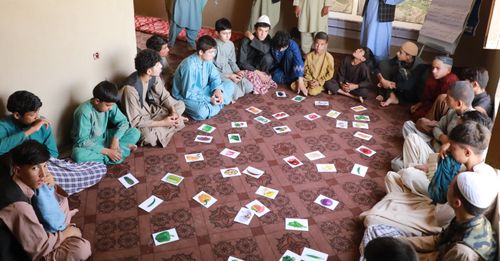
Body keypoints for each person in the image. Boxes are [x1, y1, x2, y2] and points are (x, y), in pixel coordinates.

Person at [0, 91, 107, 195]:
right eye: (33, 114)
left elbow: (53, 153)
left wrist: (45, 170)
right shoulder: (4, 126)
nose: (38, 117)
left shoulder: (42, 122)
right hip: (23, 170)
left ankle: (56, 186)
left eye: (38, 111)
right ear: (17, 115)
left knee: (99, 168)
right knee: (35, 189)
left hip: (45, 162)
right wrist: (31, 130)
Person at [0, 140, 91, 260]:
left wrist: (52, 187)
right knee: (81, 249)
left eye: (45, 166)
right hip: (16, 252)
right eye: (34, 168)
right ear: (18, 170)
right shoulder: (18, 206)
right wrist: (68, 233)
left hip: (30, 232)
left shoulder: (13, 174)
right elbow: (39, 248)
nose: (43, 174)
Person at [403, 171, 498, 260]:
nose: (447, 186)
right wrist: (401, 242)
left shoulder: (462, 252)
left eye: (449, 186)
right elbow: (438, 240)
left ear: (457, 203)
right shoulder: (471, 218)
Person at [121, 49, 187, 147]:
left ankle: (169, 124)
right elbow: (136, 121)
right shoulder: (130, 89)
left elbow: (164, 96)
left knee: (180, 105)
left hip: (150, 109)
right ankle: (170, 124)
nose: (161, 66)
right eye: (157, 65)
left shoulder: (154, 76)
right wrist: (164, 122)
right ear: (149, 71)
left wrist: (173, 111)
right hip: (139, 117)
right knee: (149, 138)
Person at [72, 81, 140, 164]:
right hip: (89, 144)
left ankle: (117, 151)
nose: (111, 108)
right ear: (97, 101)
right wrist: (108, 152)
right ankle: (120, 152)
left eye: (112, 105)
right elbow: (82, 141)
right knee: (78, 155)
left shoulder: (110, 104)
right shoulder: (83, 112)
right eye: (108, 105)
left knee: (135, 132)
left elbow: (124, 122)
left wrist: (115, 140)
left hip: (105, 137)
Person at [172, 35, 234, 120]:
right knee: (201, 111)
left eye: (214, 52)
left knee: (230, 85)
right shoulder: (189, 66)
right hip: (186, 97)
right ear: (201, 52)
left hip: (203, 90)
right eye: (210, 52)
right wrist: (209, 99)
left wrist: (218, 90)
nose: (213, 55)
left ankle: (213, 106)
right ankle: (219, 104)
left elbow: (215, 77)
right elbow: (188, 93)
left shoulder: (208, 60)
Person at [375, 41, 427, 107]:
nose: (397, 53)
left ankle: (394, 97)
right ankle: (390, 94)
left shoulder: (420, 66)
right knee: (383, 65)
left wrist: (389, 84)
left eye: (400, 52)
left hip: (410, 90)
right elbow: (384, 64)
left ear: (408, 56)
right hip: (398, 85)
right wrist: (382, 80)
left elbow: (410, 85)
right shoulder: (400, 57)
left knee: (401, 76)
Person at [214, 18, 254, 101]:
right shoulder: (212, 46)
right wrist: (229, 76)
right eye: (224, 33)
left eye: (229, 33)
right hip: (219, 74)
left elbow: (232, 62)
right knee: (236, 92)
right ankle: (229, 92)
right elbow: (211, 70)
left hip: (230, 72)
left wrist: (237, 71)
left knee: (249, 86)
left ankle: (231, 91)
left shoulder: (231, 44)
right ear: (217, 33)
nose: (228, 36)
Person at [410, 56, 458, 122]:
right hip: (430, 105)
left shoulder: (451, 80)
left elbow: (446, 105)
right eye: (433, 67)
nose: (433, 71)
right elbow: (427, 98)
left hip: (441, 112)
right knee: (415, 114)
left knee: (421, 120)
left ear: (448, 70)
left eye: (438, 68)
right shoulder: (432, 78)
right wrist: (418, 105)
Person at [290, 32, 334, 96]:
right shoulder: (309, 56)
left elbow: (330, 74)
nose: (319, 47)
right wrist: (309, 79)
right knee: (294, 86)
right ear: (314, 43)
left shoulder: (329, 57)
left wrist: (318, 81)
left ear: (326, 45)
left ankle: (321, 87)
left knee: (312, 92)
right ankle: (306, 87)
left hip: (319, 81)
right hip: (308, 79)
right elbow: (305, 69)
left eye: (322, 44)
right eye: (317, 44)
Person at [239, 15, 275, 88]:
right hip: (247, 66)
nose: (263, 34)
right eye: (260, 30)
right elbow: (242, 62)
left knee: (269, 58)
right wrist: (258, 73)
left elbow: (265, 50)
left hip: (259, 66)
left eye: (266, 31)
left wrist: (252, 38)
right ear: (255, 29)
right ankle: (260, 77)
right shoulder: (245, 41)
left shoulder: (268, 38)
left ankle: (263, 76)